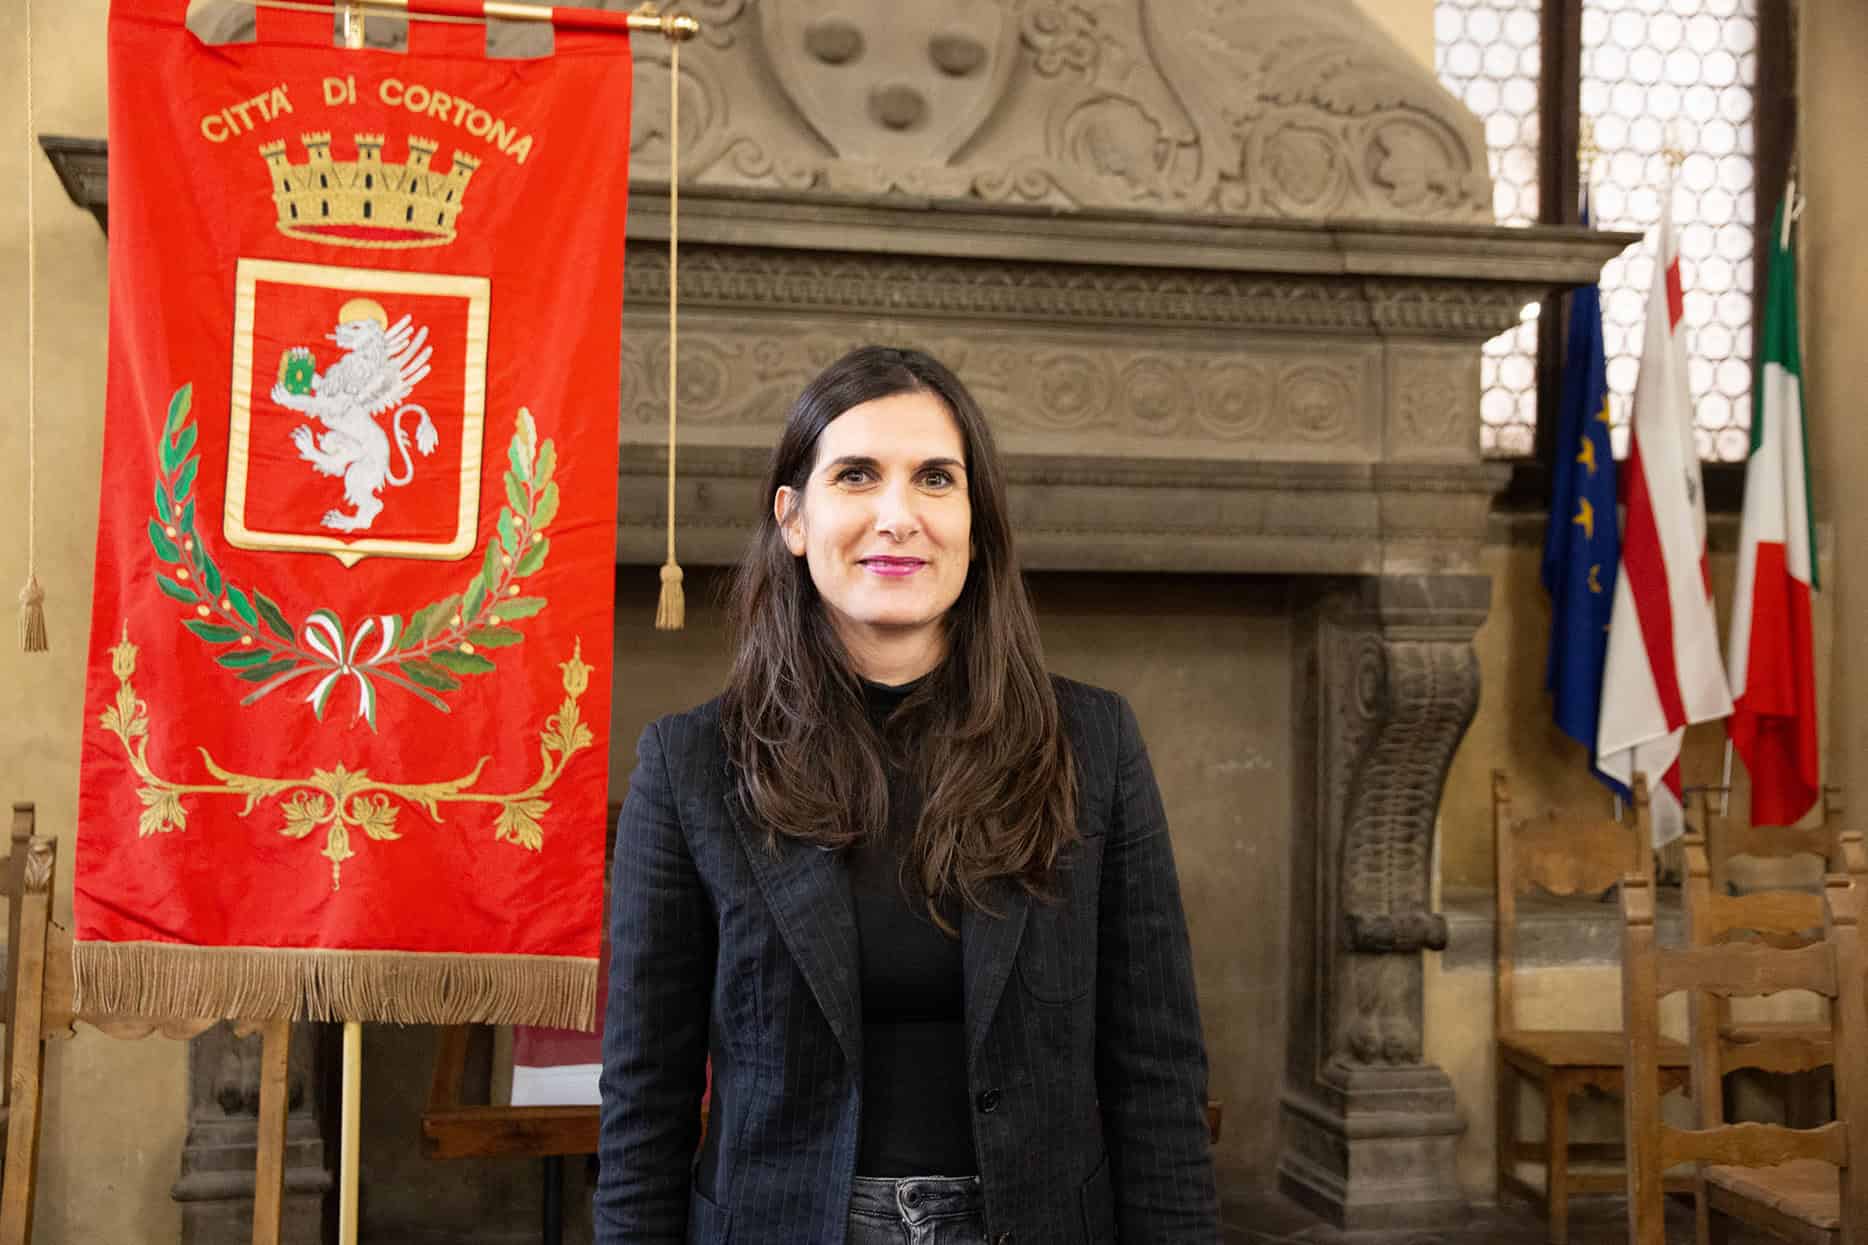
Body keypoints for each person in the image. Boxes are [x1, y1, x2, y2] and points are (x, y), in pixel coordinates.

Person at [597, 346, 1218, 1244]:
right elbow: (644, 1101)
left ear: (976, 521)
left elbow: (1157, 1073)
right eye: (856, 475)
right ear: (793, 518)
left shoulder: (1095, 743)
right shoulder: (689, 764)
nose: (898, 516)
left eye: (935, 478)